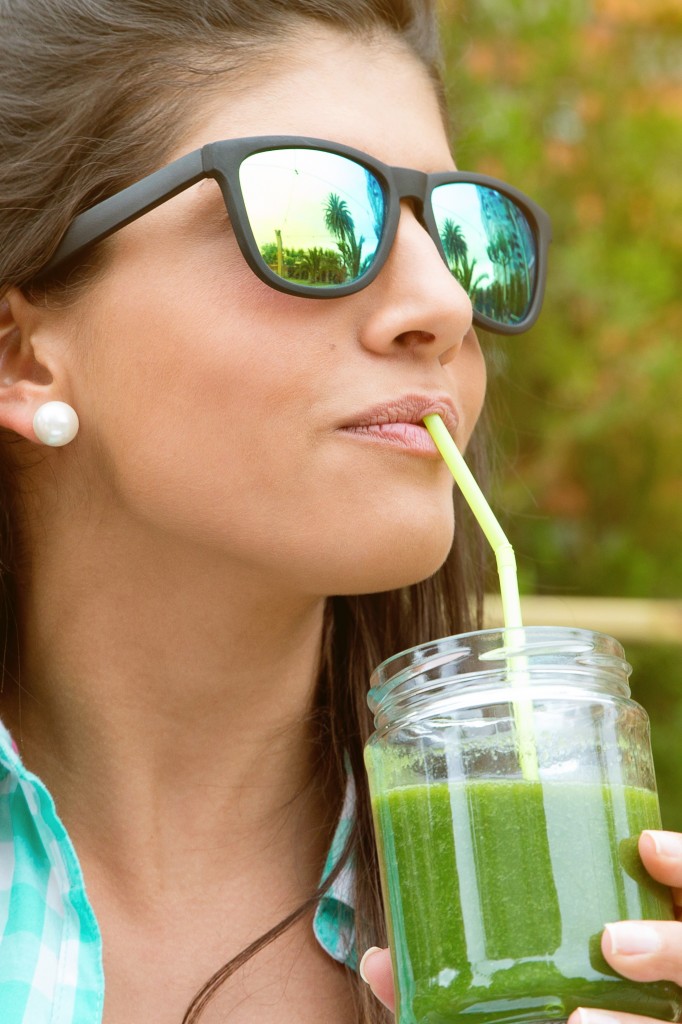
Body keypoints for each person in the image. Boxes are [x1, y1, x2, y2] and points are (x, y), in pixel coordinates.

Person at [0, 2, 679, 1023]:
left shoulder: (567, 902)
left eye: (459, 230)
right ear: (22, 353)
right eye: (310, 213)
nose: (445, 302)